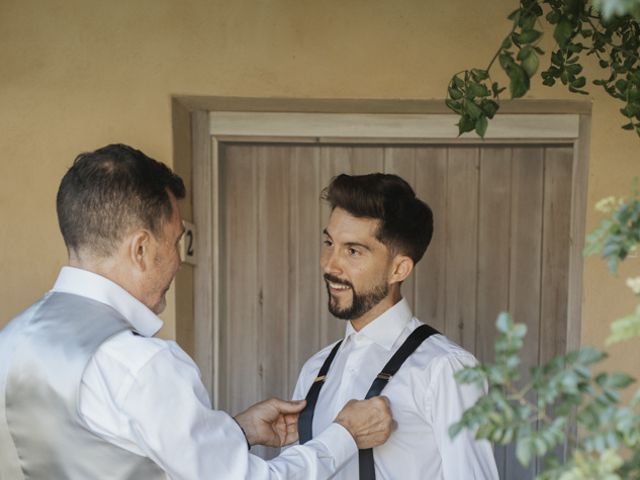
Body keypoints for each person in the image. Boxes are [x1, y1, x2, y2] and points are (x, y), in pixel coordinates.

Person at [0, 144, 395, 480]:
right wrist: (345, 435)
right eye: (176, 241)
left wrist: (234, 431)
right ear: (140, 249)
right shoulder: (140, 365)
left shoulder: (11, 340)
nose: (177, 259)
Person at [292, 173, 499, 479]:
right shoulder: (314, 371)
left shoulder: (446, 369)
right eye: (329, 243)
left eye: (353, 251)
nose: (329, 264)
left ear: (399, 268)